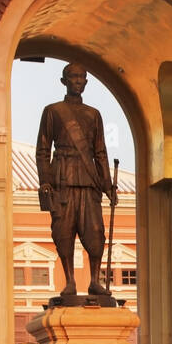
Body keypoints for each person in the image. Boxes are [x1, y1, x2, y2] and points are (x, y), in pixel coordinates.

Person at [35, 64, 117, 296]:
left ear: (86, 82)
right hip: (62, 178)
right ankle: (69, 280)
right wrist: (45, 181)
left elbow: (100, 152)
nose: (78, 81)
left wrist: (108, 185)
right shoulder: (52, 111)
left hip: (88, 180)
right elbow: (43, 149)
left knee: (95, 231)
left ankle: (94, 280)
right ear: (64, 81)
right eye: (73, 77)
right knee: (63, 230)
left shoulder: (94, 114)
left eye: (82, 77)